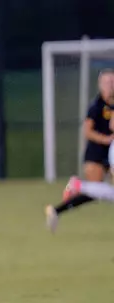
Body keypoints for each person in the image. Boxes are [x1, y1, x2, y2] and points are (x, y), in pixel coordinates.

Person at [46, 70, 114, 232]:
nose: (111, 85)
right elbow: (89, 130)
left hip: (110, 150)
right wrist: (106, 139)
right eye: (107, 82)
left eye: (113, 81)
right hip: (97, 152)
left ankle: (58, 209)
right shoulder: (96, 106)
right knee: (96, 191)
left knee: (100, 193)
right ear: (100, 84)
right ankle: (77, 188)